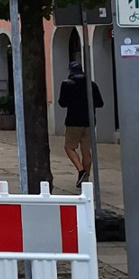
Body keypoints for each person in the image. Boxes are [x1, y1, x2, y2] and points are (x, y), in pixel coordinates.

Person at [57, 60, 103, 188]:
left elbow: (62, 103)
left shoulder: (67, 84)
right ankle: (85, 180)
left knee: (69, 147)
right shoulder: (91, 84)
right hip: (89, 121)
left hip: (73, 121)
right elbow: (100, 103)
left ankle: (81, 170)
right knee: (86, 151)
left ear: (70, 71)